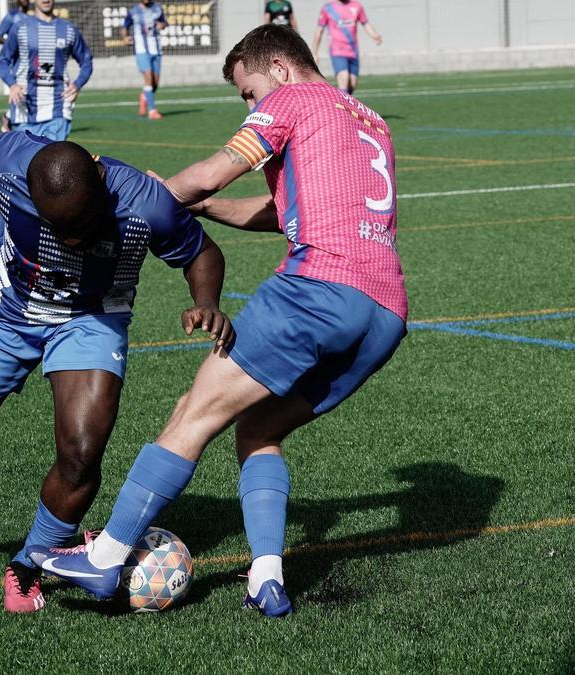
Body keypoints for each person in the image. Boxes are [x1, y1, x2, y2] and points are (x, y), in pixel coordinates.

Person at [27, 24, 407, 618]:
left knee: (192, 413)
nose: (251, 105)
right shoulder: (368, 118)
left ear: (279, 67)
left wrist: (148, 199)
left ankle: (105, 557)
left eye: (247, 92)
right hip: (383, 312)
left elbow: (211, 171)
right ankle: (266, 578)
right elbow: (283, 211)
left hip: (317, 293)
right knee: (258, 432)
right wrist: (200, 208)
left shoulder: (291, 97)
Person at [0, 133, 231, 614]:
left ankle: (29, 565)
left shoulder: (143, 202)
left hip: (90, 318)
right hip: (1, 308)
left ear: (101, 177)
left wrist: (206, 302)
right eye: (59, 228)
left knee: (82, 451)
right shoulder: (11, 162)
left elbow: (201, 253)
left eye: (83, 225)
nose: (71, 240)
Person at [0, 0, 93, 141]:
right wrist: (12, 84)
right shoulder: (20, 27)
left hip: (59, 105)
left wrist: (77, 84)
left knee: (51, 158)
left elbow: (86, 61)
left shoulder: (69, 29)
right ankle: (10, 121)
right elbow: (2, 60)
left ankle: (8, 122)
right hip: (25, 104)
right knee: (26, 160)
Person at [311, 0, 380, 94]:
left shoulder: (357, 6)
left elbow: (365, 23)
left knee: (352, 84)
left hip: (353, 51)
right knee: (343, 79)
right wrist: (315, 52)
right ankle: (341, 108)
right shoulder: (328, 8)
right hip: (337, 51)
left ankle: (345, 103)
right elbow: (319, 30)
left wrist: (375, 35)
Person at [121, 0, 167, 120]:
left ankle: (144, 97)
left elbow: (164, 22)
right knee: (148, 76)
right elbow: (125, 26)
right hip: (141, 50)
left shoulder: (157, 8)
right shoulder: (133, 11)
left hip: (156, 50)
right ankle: (152, 111)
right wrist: (125, 38)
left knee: (155, 83)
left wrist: (162, 25)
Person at [0, 0, 33, 133]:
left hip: (30, 62)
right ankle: (11, 119)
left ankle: (8, 117)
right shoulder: (11, 16)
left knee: (29, 92)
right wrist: (13, 44)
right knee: (20, 90)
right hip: (16, 63)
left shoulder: (32, 17)